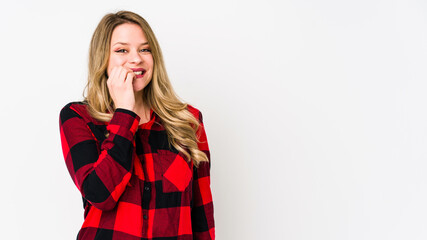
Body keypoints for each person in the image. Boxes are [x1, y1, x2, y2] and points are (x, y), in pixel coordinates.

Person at [59, 10, 215, 240]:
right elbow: (100, 194)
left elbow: (201, 215)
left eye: (145, 49)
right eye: (122, 50)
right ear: (103, 58)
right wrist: (124, 112)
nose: (136, 59)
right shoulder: (78, 116)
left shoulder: (188, 121)